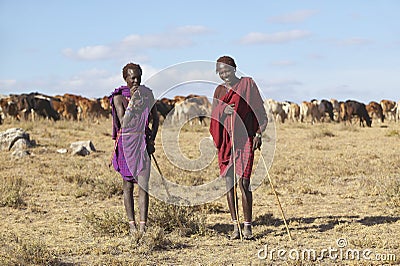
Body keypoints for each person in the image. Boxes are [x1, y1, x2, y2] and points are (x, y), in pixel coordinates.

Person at [209, 56, 267, 240]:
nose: (225, 75)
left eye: (228, 70)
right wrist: (222, 111)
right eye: (221, 72)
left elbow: (260, 112)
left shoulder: (247, 84)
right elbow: (213, 116)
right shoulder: (219, 91)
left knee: (244, 183)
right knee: (229, 184)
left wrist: (258, 133)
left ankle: (248, 226)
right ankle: (235, 227)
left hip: (245, 139)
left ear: (235, 69)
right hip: (226, 141)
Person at [109, 62, 159, 234]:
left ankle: (143, 226)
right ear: (126, 79)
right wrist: (132, 102)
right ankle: (132, 225)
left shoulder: (147, 95)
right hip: (126, 144)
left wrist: (152, 138)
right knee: (128, 185)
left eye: (139, 77)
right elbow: (123, 122)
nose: (136, 81)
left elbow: (155, 117)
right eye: (132, 78)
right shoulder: (118, 97)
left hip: (142, 142)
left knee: (144, 185)